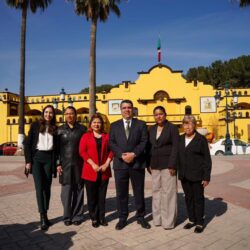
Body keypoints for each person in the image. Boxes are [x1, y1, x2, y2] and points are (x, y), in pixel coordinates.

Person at [109, 99, 151, 230]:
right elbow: (111, 143)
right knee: (121, 193)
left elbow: (144, 142)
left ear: (132, 109)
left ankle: (141, 217)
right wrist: (122, 155)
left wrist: (134, 154)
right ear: (120, 110)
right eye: (124, 108)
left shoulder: (141, 124)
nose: (127, 110)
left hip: (137, 163)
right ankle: (122, 217)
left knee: (138, 191)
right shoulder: (114, 125)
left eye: (129, 107)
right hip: (120, 164)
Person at [24, 105, 57, 230]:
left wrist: (58, 163)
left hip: (49, 159)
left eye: (51, 113)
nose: (48, 114)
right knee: (39, 188)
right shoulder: (35, 125)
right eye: (46, 112)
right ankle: (42, 217)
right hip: (37, 158)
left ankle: (46, 213)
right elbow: (27, 144)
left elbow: (57, 147)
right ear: (43, 113)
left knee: (47, 188)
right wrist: (28, 161)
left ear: (53, 115)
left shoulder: (55, 128)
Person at [178, 115, 212, 233]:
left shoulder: (201, 139)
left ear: (194, 125)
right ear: (183, 125)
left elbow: (207, 159)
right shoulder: (180, 139)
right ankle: (192, 220)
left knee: (198, 199)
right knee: (188, 198)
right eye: (185, 124)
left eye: (190, 123)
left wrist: (206, 177)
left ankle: (200, 222)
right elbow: (177, 156)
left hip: (197, 175)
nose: (187, 126)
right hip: (184, 175)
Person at [147, 106, 179, 229]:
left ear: (165, 114)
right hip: (154, 165)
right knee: (156, 192)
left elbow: (175, 147)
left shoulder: (172, 128)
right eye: (156, 114)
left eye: (161, 114)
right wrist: (148, 163)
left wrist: (173, 164)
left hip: (168, 165)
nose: (158, 116)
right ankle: (157, 219)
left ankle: (168, 222)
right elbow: (149, 148)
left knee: (168, 193)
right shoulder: (152, 129)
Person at [79, 114, 113, 228]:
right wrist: (93, 164)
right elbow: (82, 151)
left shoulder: (106, 136)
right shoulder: (85, 136)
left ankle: (102, 217)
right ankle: (94, 217)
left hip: (104, 170)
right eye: (94, 122)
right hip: (90, 170)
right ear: (90, 124)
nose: (96, 124)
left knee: (102, 197)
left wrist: (106, 164)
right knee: (92, 197)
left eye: (98, 122)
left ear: (102, 124)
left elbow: (112, 151)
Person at [57, 106, 86, 226]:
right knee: (66, 192)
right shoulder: (59, 130)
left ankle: (77, 216)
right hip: (65, 165)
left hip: (80, 164)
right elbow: (56, 149)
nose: (69, 115)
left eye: (72, 113)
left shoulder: (82, 129)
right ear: (65, 115)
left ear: (75, 115)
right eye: (67, 113)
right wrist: (57, 163)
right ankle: (67, 216)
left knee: (79, 190)